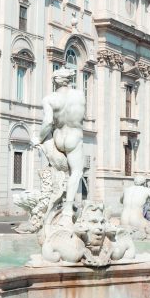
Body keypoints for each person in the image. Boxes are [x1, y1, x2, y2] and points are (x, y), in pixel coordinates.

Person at [33, 66, 87, 222]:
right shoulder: (79, 95)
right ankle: (68, 209)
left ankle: (53, 204)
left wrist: (39, 138)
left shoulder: (49, 99)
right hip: (74, 137)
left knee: (59, 172)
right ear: (68, 81)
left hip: (58, 137)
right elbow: (82, 116)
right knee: (76, 173)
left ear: (55, 82)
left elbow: (48, 122)